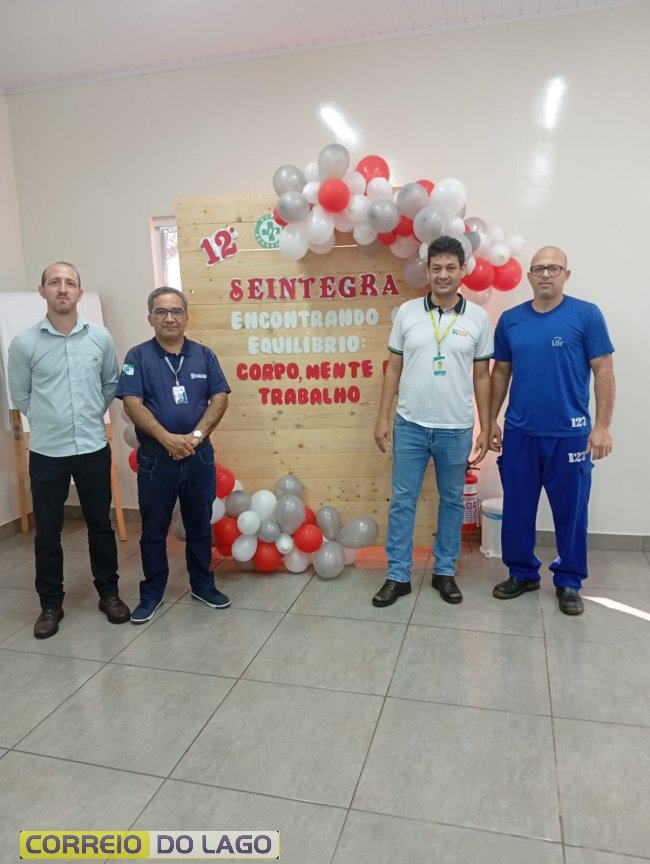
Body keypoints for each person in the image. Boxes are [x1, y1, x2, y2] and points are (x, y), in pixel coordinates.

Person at [489, 246, 615, 615]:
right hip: (521, 434)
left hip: (570, 435)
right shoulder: (511, 320)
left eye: (554, 268)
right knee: (518, 509)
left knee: (571, 512)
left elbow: (604, 371)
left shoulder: (586, 315)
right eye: (539, 268)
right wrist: (492, 419)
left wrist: (602, 426)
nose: (546, 274)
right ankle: (522, 573)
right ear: (529, 276)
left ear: (566, 275)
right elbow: (500, 373)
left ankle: (569, 580)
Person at [8, 262, 130, 639]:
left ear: (79, 292)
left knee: (100, 525)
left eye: (70, 283)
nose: (63, 288)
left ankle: (108, 593)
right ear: (42, 291)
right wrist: (52, 420)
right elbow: (21, 395)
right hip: (47, 452)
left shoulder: (100, 338)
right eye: (55, 282)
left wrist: (88, 415)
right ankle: (50, 604)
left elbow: (110, 384)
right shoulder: (24, 343)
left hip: (92, 446)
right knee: (47, 532)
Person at [372, 236, 493, 607]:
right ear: (427, 271)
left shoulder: (478, 318)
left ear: (462, 271)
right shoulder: (407, 313)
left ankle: (444, 571)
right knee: (402, 501)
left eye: (450, 267)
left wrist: (487, 426)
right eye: (436, 268)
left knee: (452, 501)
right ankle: (398, 575)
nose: (443, 274)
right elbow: (393, 368)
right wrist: (383, 417)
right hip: (410, 425)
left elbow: (482, 376)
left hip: (456, 428)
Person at [116, 287, 231, 623]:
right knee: (154, 530)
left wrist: (195, 437)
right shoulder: (137, 357)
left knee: (199, 526)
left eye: (176, 311)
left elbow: (220, 397)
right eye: (161, 311)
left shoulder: (204, 355)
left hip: (199, 457)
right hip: (156, 458)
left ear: (186, 317)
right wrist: (166, 438)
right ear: (150, 317)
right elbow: (132, 403)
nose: (169, 318)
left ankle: (202, 585)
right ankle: (152, 593)